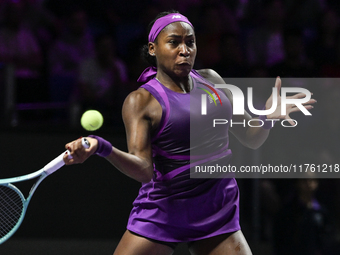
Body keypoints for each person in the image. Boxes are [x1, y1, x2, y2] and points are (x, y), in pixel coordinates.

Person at [63, 11, 316, 255]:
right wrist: (102, 147)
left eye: (190, 42)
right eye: (173, 42)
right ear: (153, 49)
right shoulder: (141, 101)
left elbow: (251, 137)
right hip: (164, 211)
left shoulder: (212, 81)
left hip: (216, 208)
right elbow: (143, 169)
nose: (184, 50)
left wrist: (267, 118)